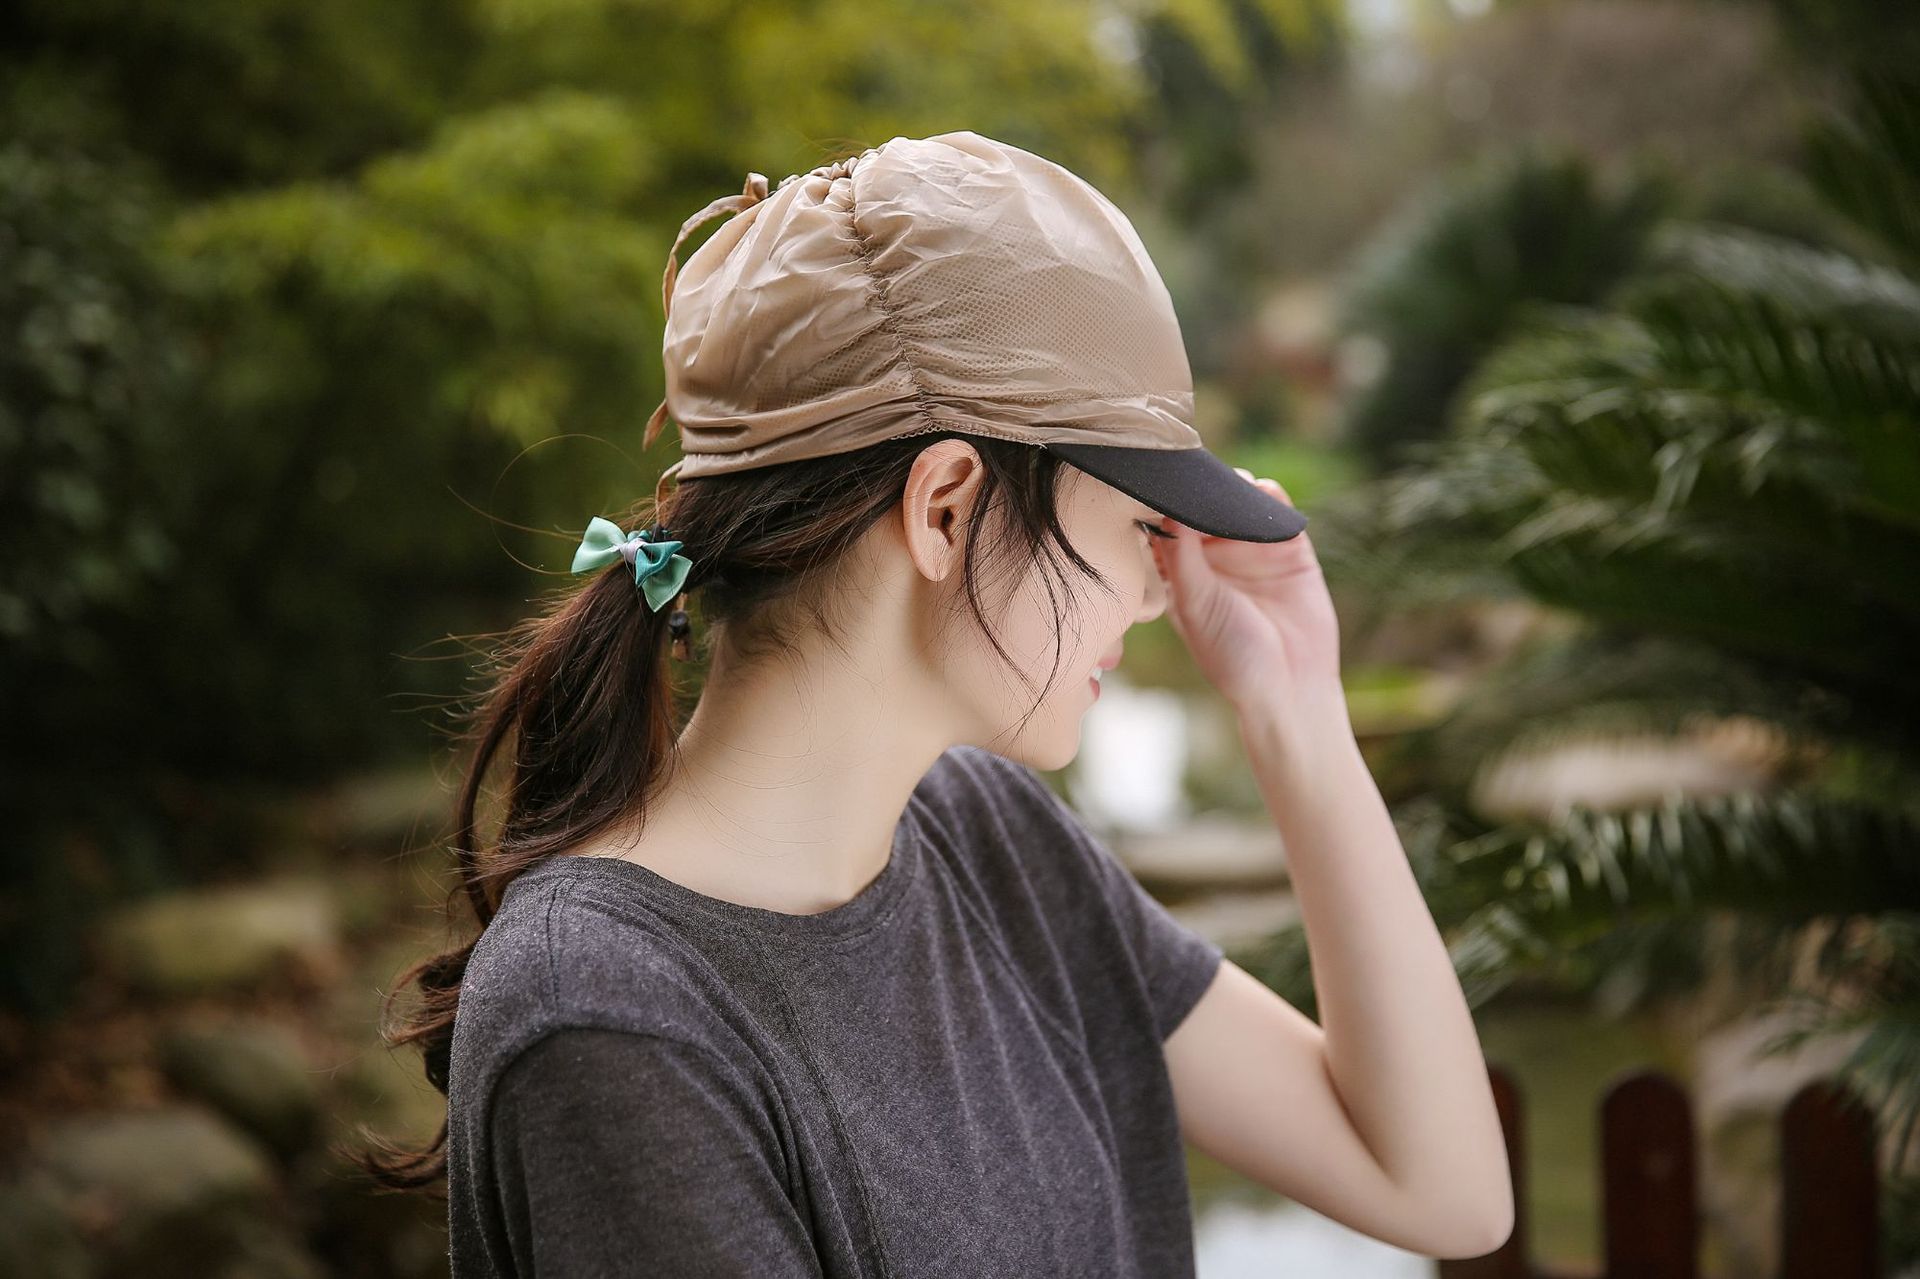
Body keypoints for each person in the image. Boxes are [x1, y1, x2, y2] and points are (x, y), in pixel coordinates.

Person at [353, 130, 1513, 1276]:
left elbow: (1444, 1191)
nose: (1161, 591)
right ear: (949, 508)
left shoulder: (987, 834)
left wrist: (1296, 708)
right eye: (1135, 527)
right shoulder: (609, 1014)